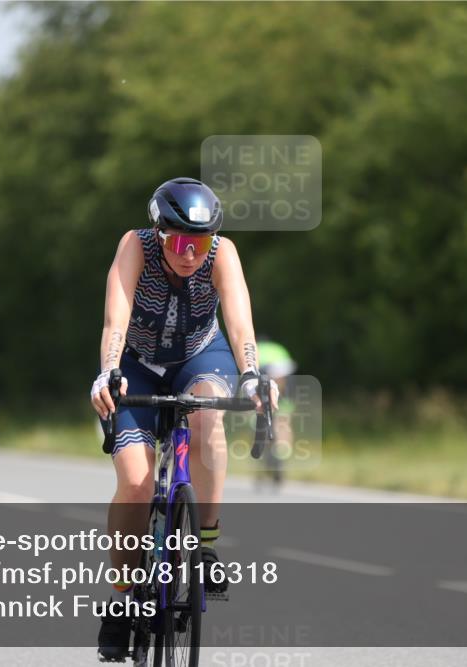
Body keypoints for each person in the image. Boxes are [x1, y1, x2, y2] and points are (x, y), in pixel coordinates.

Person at [89, 177, 277, 661]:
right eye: (178, 242)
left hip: (200, 357)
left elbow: (238, 320)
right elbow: (117, 317)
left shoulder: (223, 254)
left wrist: (253, 374)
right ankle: (123, 598)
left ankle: (206, 542)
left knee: (207, 419)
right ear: (159, 232)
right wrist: (109, 370)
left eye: (200, 242)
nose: (190, 253)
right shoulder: (136, 246)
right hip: (137, 366)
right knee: (134, 484)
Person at [255, 339, 297, 490]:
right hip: (285, 384)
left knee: (260, 426)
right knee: (283, 422)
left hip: (263, 381)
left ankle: (268, 457)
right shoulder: (279, 348)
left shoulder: (254, 348)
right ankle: (281, 453)